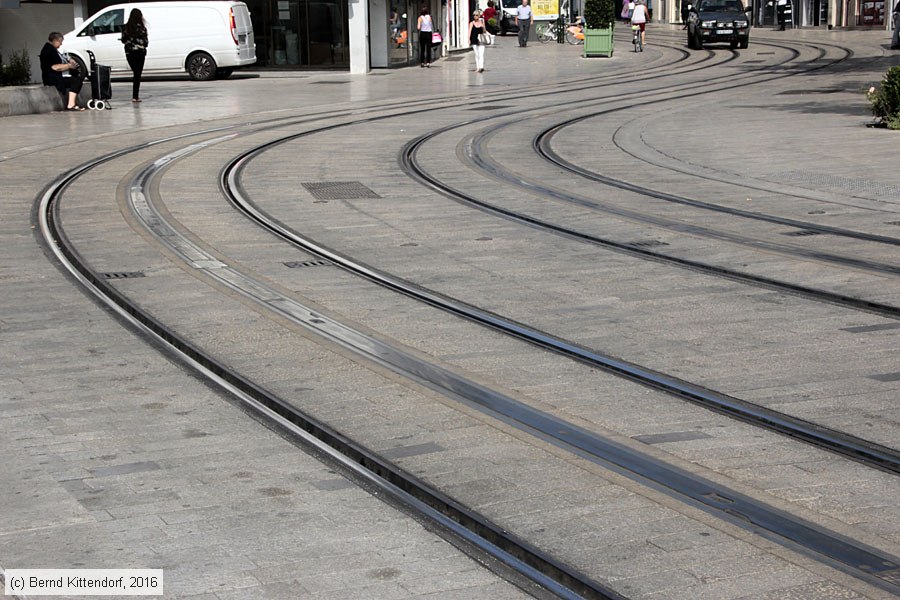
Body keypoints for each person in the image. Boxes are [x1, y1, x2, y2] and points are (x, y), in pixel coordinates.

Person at [39, 31, 85, 111]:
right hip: (52, 78)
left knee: (76, 78)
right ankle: (71, 104)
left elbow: (62, 58)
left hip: (56, 76)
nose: (61, 44)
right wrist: (69, 66)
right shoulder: (49, 50)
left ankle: (72, 103)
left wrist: (69, 60)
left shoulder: (52, 49)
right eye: (60, 42)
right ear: (55, 40)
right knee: (76, 81)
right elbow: (55, 67)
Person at [121, 8, 148, 103]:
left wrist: (130, 41)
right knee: (137, 74)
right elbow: (146, 42)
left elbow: (123, 40)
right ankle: (135, 96)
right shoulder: (142, 28)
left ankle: (135, 96)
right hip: (140, 53)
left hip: (129, 53)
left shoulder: (126, 27)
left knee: (135, 72)